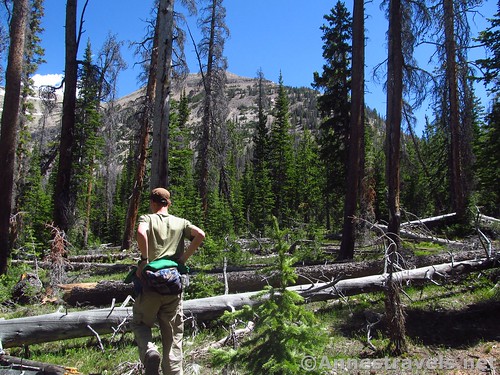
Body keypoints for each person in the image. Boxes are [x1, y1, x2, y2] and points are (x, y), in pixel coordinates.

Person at [131, 187, 205, 375]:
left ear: (152, 202)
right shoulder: (180, 222)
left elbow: (141, 233)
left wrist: (145, 260)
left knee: (141, 324)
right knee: (173, 336)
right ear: (168, 203)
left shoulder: (147, 219)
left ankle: (149, 351)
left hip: (150, 285)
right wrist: (182, 260)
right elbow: (201, 235)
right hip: (173, 284)